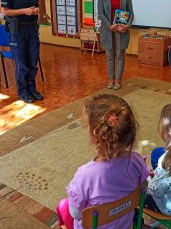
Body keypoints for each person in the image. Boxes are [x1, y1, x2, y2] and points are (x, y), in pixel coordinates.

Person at [56, 94, 149, 229]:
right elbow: (143, 193)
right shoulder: (137, 161)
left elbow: (75, 213)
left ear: (95, 134)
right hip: (124, 224)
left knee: (63, 206)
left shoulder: (85, 175)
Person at [1, 0, 43, 103]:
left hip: (32, 29)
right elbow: (5, 12)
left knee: (32, 61)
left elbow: (36, 7)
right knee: (22, 63)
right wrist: (24, 11)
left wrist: (36, 10)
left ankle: (32, 89)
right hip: (17, 31)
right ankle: (23, 91)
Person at [97, 0, 134, 90]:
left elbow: (131, 14)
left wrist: (127, 26)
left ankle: (118, 80)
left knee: (120, 56)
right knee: (109, 57)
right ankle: (111, 80)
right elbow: (101, 13)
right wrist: (109, 26)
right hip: (108, 30)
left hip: (121, 30)